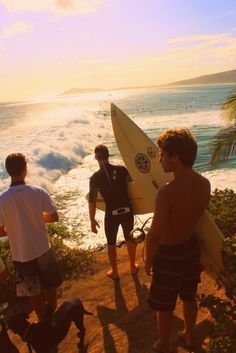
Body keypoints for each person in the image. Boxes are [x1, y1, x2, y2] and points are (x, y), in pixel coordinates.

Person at [145, 129, 210, 353]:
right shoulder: (205, 184)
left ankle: (164, 344)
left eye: (163, 154)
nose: (160, 159)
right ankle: (189, 336)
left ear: (175, 157)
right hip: (191, 248)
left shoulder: (167, 192)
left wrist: (148, 260)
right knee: (188, 295)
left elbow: (155, 235)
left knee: (164, 304)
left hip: (169, 253)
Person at [0, 153, 63, 322]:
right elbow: (54, 217)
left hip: (21, 254)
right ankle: (52, 312)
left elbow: (0, 231)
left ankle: (42, 319)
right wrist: (38, 217)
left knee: (32, 290)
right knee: (49, 285)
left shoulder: (2, 199)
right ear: (25, 170)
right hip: (43, 248)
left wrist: (14, 228)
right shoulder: (38, 192)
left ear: (8, 172)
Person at [88, 144, 138, 279]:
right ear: (108, 155)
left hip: (112, 214)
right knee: (129, 239)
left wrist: (92, 220)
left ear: (96, 158)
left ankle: (115, 272)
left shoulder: (95, 178)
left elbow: (92, 200)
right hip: (127, 210)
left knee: (111, 242)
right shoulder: (122, 170)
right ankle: (133, 267)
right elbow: (135, 186)